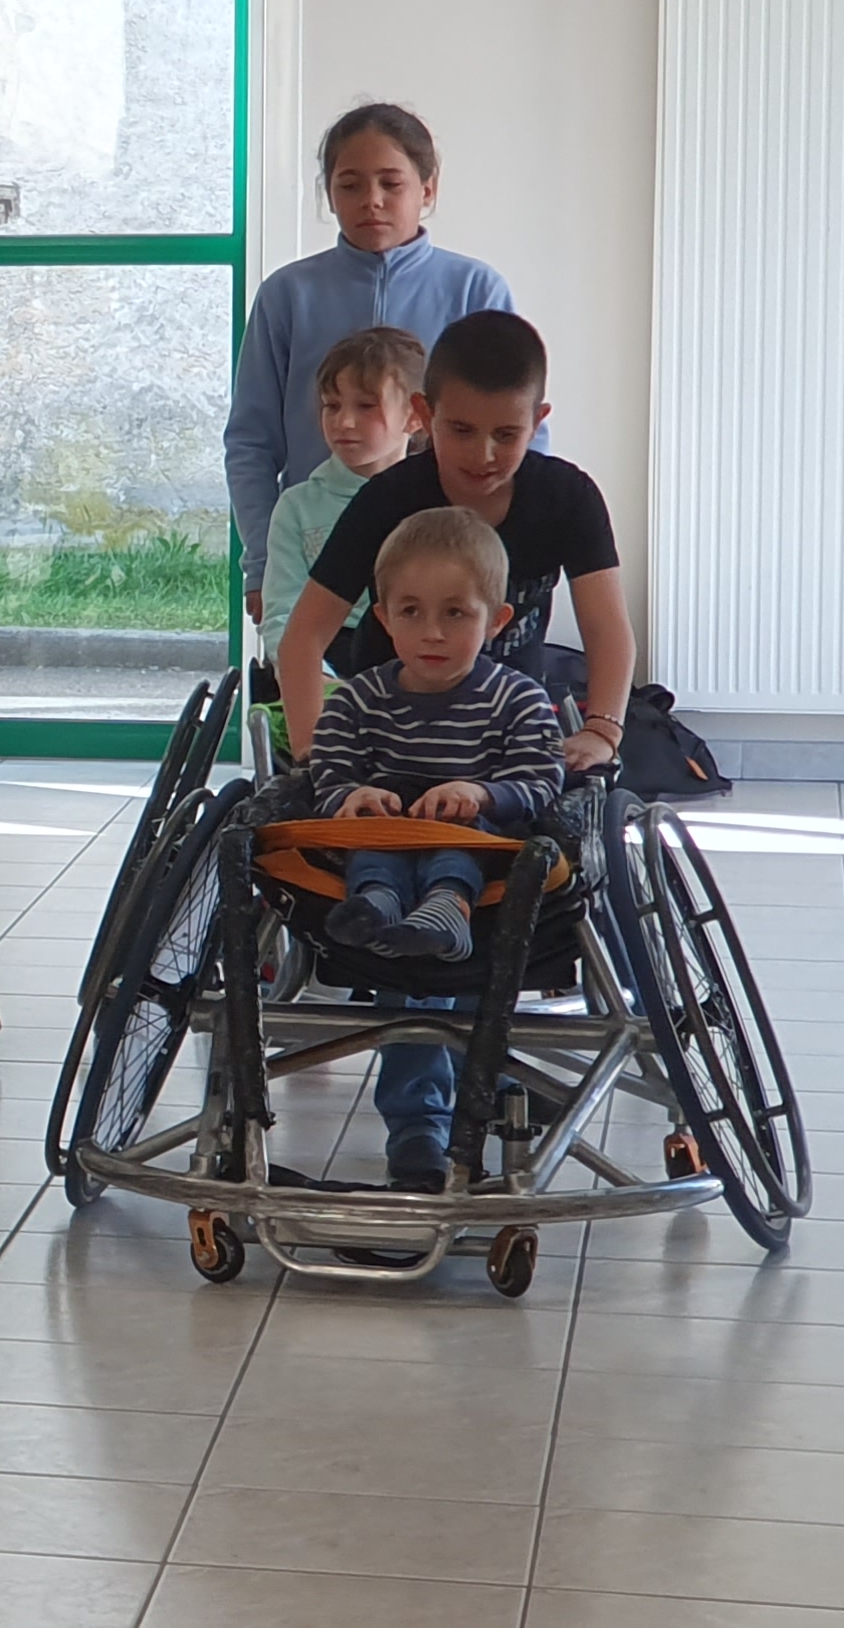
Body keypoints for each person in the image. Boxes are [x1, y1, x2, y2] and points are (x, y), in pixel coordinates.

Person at [306, 506, 565, 1190]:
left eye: (457, 614)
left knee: (460, 845)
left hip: (481, 874)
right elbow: (325, 774)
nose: (432, 632)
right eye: (412, 612)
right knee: (376, 853)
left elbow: (544, 778)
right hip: (384, 861)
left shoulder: (518, 700)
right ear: (383, 618)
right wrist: (349, 798)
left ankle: (440, 909)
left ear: (497, 621)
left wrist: (482, 795)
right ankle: (417, 1124)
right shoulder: (357, 703)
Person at [275, 310, 630, 777]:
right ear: (424, 415)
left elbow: (607, 629)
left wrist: (602, 729)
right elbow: (303, 637)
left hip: (506, 729)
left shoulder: (568, 498)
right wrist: (312, 754)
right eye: (461, 430)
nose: (483, 454)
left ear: (537, 420)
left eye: (506, 435)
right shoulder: (385, 500)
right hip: (388, 736)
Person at [226, 104, 518, 617]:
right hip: (312, 552)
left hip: (443, 562)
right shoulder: (287, 295)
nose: (372, 201)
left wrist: (500, 554)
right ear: (328, 192)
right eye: (351, 185)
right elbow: (251, 442)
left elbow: (515, 435)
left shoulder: (475, 289)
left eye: (392, 183)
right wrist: (264, 564)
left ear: (427, 189)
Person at [260, 327, 428, 631]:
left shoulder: (436, 503)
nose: (344, 422)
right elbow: (281, 616)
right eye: (332, 406)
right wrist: (318, 676)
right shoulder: (296, 508)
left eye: (366, 406)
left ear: (415, 416)